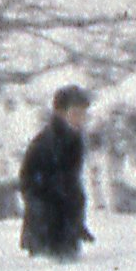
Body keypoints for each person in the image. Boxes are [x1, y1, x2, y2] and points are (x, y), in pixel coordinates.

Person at [18, 85, 94, 261]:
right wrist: (43, 217)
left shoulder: (76, 140)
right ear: (61, 113)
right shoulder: (47, 142)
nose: (81, 119)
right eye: (76, 113)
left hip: (66, 227)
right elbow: (30, 183)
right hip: (47, 228)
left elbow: (72, 183)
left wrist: (77, 221)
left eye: (83, 113)